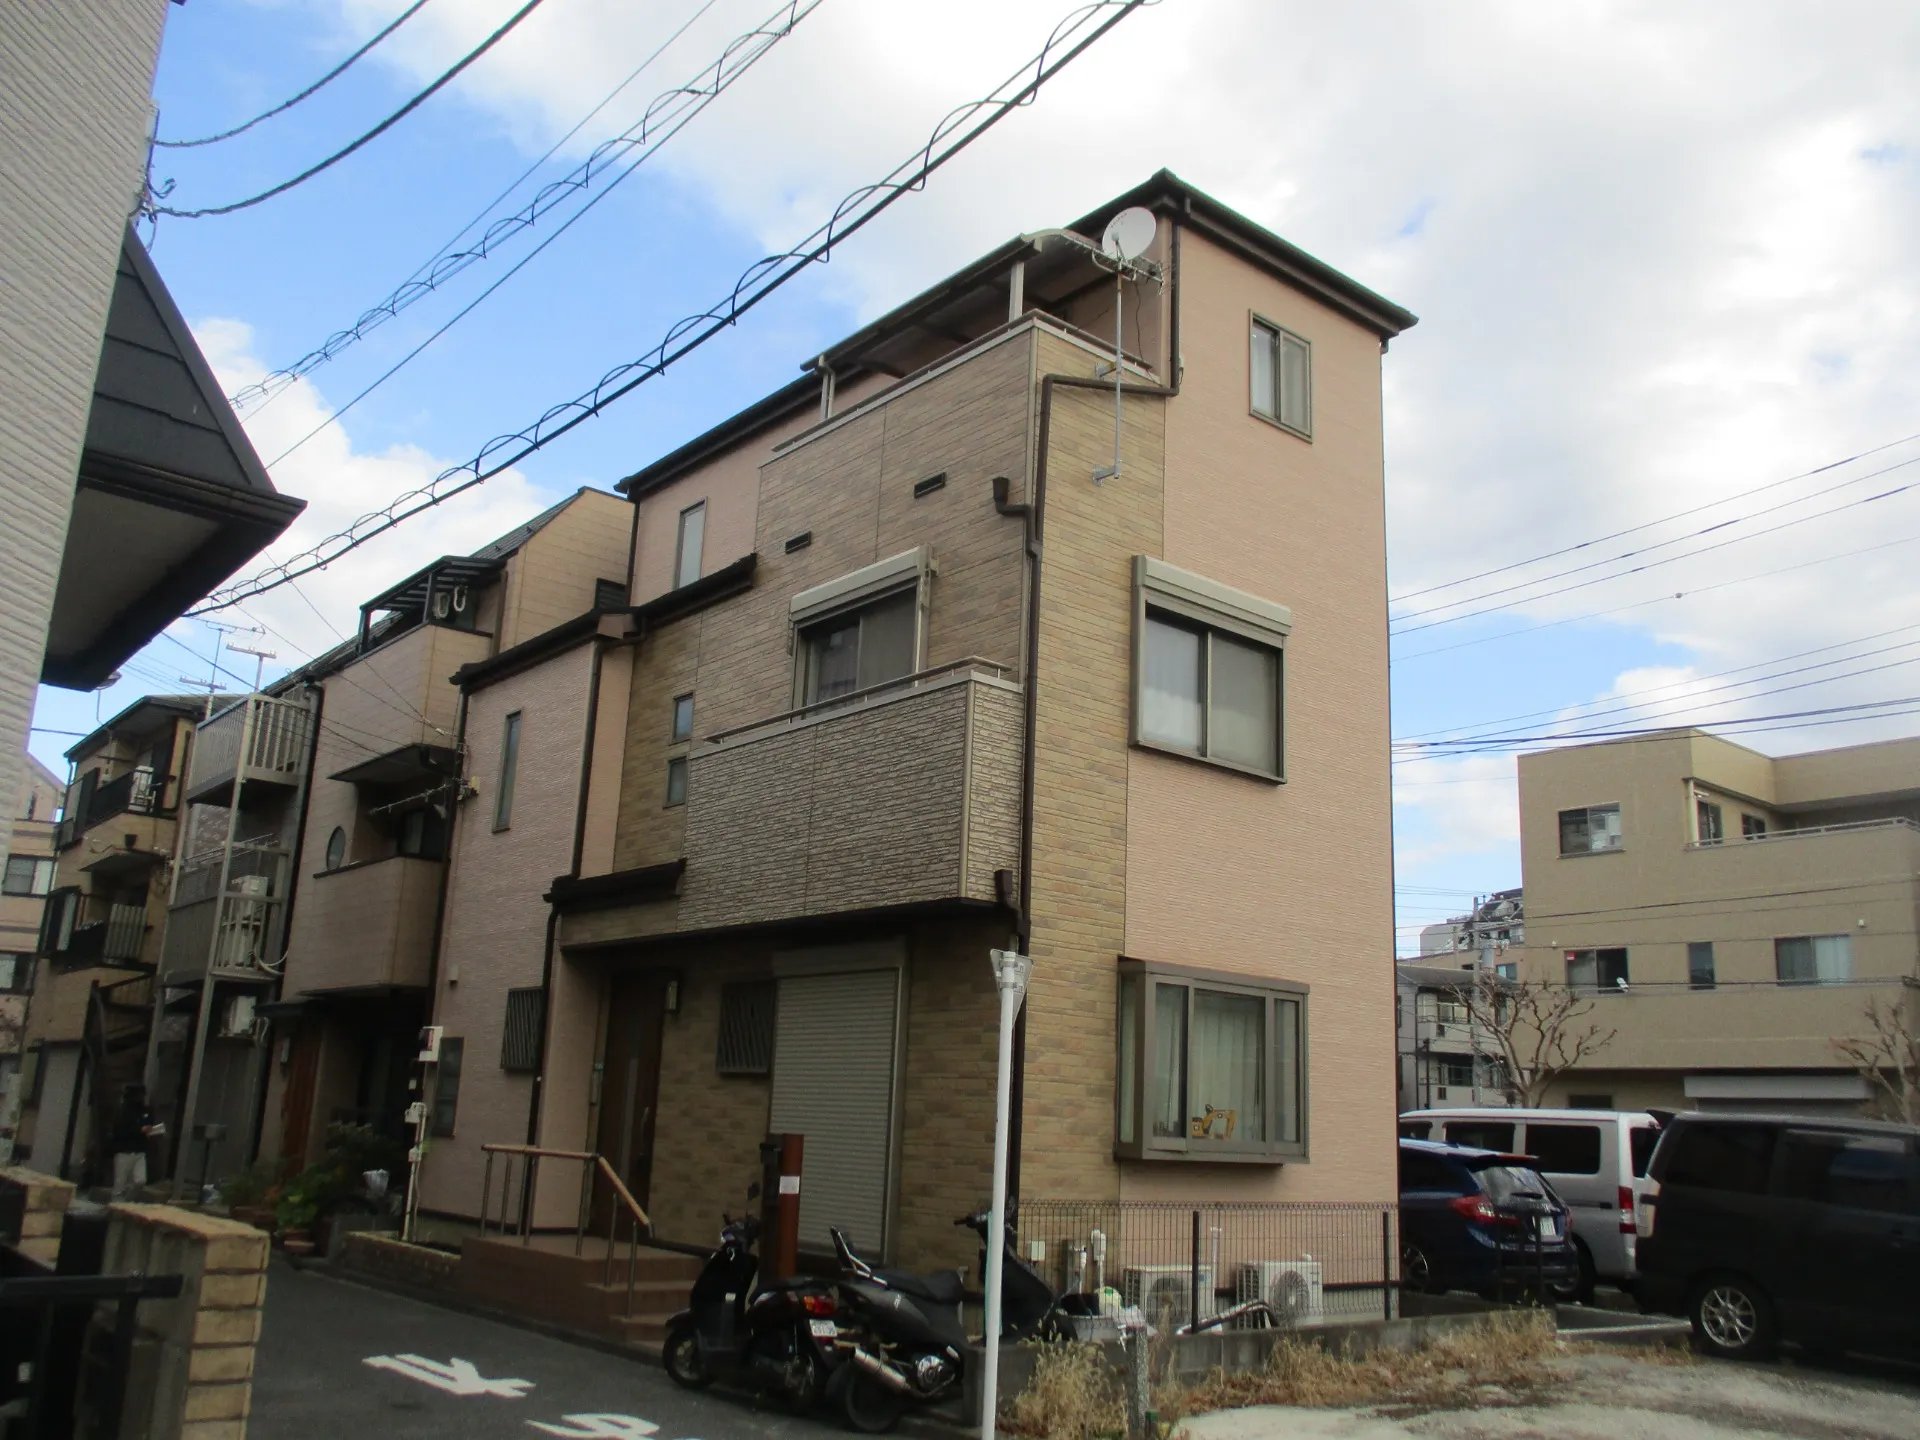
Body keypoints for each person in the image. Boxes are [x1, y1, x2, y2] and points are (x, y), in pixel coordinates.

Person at [109, 1082, 157, 1200]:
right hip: (124, 1151)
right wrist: (139, 1130)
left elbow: (149, 1122)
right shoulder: (122, 1111)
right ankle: (116, 1207)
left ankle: (128, 1202)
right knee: (120, 1184)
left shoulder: (145, 1110)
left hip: (140, 1151)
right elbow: (119, 1130)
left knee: (140, 1180)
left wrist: (149, 1130)